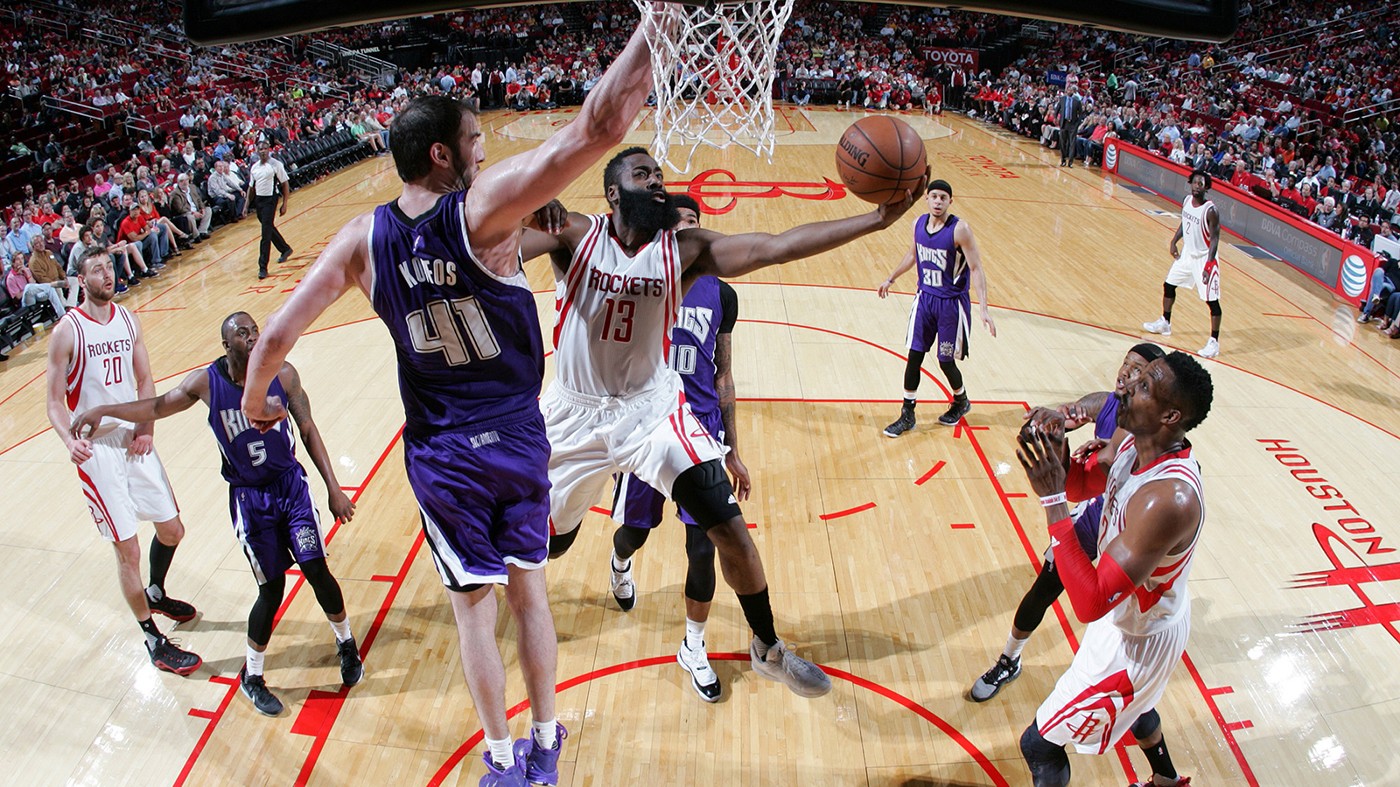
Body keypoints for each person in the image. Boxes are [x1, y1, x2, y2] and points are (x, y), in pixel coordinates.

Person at [238, 15, 658, 784]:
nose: (483, 151)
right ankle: (546, 738)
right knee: (530, 594)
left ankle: (499, 760)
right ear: (442, 153)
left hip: (443, 453)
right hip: (521, 440)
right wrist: (655, 29)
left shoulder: (359, 241)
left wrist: (258, 401)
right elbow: (595, 128)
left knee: (474, 611)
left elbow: (274, 335)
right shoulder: (482, 213)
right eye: (474, 141)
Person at [526, 146, 922, 702]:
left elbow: (775, 248)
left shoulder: (685, 250)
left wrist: (877, 220)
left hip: (652, 411)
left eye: (661, 175)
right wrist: (526, 209)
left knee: (726, 523)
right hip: (575, 414)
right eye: (644, 176)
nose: (658, 182)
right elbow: (496, 246)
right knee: (552, 543)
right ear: (613, 193)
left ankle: (767, 647)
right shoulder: (573, 234)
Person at [69, 312, 364, 717]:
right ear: (227, 345)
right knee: (272, 589)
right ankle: (253, 676)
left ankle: (345, 642)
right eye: (242, 333)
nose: (252, 336)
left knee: (317, 570)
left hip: (291, 490)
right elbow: (156, 405)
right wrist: (107, 409)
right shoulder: (206, 382)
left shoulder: (285, 372)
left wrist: (333, 487)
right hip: (251, 500)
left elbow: (308, 428)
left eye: (254, 329)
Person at [1015, 351, 1212, 787]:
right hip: (1128, 614)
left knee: (1038, 744)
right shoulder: (1132, 445)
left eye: (1142, 387)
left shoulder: (1168, 499)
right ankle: (1166, 780)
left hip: (1139, 638)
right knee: (1137, 709)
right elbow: (1081, 482)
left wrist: (1052, 502)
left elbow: (1088, 603)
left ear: (1170, 415)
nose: (1124, 387)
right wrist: (1056, 449)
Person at [602, 195, 747, 702]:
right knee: (635, 533)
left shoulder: (722, 295)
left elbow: (724, 374)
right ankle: (619, 564)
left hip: (703, 429)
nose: (687, 236)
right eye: (678, 228)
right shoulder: (641, 285)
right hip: (649, 427)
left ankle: (694, 645)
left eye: (694, 227)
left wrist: (732, 449)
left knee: (703, 546)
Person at [968, 343, 1165, 702]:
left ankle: (1127, 694)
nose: (1126, 374)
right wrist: (1057, 427)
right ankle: (1009, 659)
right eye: (1126, 365)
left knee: (1119, 626)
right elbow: (1079, 423)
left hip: (1131, 531)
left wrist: (1066, 474)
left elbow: (1097, 468)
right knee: (1044, 589)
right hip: (1097, 517)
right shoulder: (1107, 403)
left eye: (1138, 372)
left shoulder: (1153, 440)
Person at [44, 247, 201, 676]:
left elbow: (145, 379)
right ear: (82, 280)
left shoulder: (129, 319)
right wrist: (67, 441)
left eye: (109, 267)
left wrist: (147, 428)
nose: (107, 274)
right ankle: (153, 638)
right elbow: (55, 403)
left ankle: (155, 590)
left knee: (172, 529)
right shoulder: (68, 331)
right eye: (97, 269)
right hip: (96, 451)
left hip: (133, 436)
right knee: (127, 549)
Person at [877, 179, 997, 437]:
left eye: (943, 197)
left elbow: (976, 268)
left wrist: (984, 309)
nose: (938, 201)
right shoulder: (918, 224)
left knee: (945, 361)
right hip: (924, 300)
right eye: (934, 196)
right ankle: (907, 414)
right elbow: (912, 255)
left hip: (951, 305)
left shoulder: (960, 229)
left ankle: (961, 400)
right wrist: (891, 277)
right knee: (914, 356)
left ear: (950, 201)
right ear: (927, 199)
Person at [1144, 169, 1222, 358]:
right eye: (1195, 182)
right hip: (1187, 254)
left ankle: (1214, 342)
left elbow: (1214, 239)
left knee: (1212, 302)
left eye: (1201, 183)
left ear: (1207, 187)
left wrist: (1209, 265)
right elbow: (1185, 222)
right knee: (1169, 285)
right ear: (1190, 183)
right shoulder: (1187, 201)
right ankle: (1165, 322)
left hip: (1204, 257)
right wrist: (1173, 241)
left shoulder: (1211, 210)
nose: (1197, 186)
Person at [244, 141, 293, 280]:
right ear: (257, 151)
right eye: (260, 149)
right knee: (268, 227)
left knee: (265, 234)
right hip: (259, 201)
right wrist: (246, 206)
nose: (263, 151)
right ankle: (285, 249)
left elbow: (285, 183)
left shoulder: (276, 165)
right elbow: (251, 188)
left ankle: (262, 267)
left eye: (265, 148)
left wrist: (284, 204)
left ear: (269, 150)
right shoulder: (254, 167)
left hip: (270, 200)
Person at [1057, 86, 1085, 168]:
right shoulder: (1062, 99)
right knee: (1063, 143)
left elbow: (1081, 114)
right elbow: (1057, 109)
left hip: (1072, 124)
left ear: (1073, 91)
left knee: (1072, 143)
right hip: (1064, 123)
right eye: (1068, 90)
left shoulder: (1077, 101)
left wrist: (1077, 123)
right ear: (1066, 91)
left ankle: (1070, 162)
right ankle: (1063, 160)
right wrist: (1056, 117)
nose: (1070, 91)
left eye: (1071, 90)